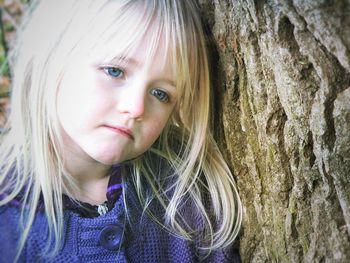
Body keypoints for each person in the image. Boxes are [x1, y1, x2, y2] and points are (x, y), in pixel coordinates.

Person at [0, 0, 242, 262]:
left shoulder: (184, 197)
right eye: (115, 71)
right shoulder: (9, 223)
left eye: (160, 93)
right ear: (55, 56)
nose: (137, 108)